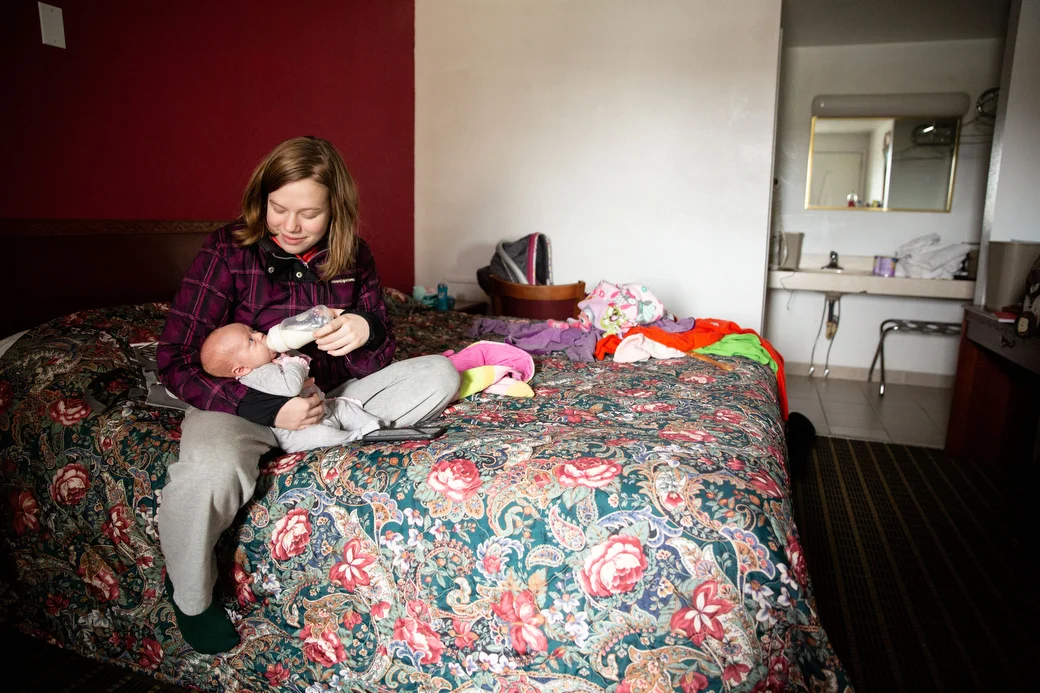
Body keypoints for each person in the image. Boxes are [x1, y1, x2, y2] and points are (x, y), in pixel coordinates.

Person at [156, 136, 459, 654]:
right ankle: (190, 596)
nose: (291, 227)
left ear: (335, 210)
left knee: (440, 374)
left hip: (327, 396)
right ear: (262, 200)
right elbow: (176, 360)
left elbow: (373, 364)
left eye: (309, 214)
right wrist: (273, 408)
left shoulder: (353, 256)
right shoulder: (227, 250)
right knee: (210, 468)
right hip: (242, 402)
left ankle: (319, 431)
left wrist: (367, 329)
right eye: (279, 209)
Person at [199, 322, 383, 451]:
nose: (260, 335)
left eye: (253, 330)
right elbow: (291, 387)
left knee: (343, 406)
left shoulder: (269, 361)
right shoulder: (258, 374)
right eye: (251, 340)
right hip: (300, 432)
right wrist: (294, 362)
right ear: (241, 369)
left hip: (322, 410)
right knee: (322, 435)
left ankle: (374, 427)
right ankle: (354, 437)